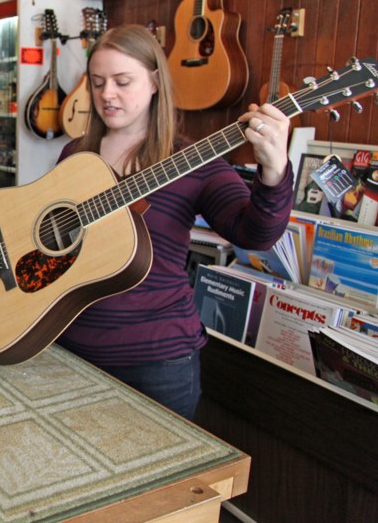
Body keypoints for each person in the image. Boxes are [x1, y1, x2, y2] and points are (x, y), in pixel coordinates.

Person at [55, 24, 293, 420]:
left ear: (153, 83)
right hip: (66, 346)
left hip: (156, 362)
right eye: (97, 83)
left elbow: (255, 235)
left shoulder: (195, 161)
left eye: (122, 81)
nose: (106, 95)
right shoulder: (74, 154)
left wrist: (274, 170)